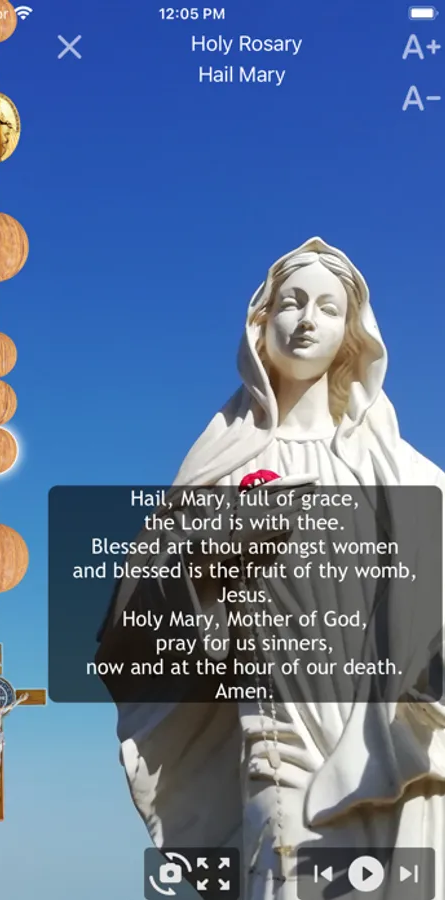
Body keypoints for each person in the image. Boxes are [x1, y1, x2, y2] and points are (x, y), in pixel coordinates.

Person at [96, 237, 445, 898]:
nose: (307, 320)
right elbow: (136, 611)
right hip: (278, 735)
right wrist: (213, 555)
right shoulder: (223, 460)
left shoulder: (401, 471)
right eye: (291, 302)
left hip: (382, 739)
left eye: (328, 308)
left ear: (351, 333)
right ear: (261, 322)